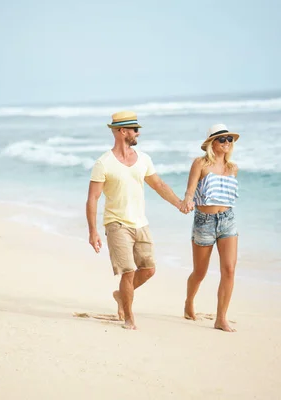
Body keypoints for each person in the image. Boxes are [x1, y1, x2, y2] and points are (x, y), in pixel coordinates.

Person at [86, 111, 187, 330]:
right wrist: (93, 231)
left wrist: (179, 203)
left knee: (148, 270)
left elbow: (158, 185)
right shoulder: (103, 163)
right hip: (116, 224)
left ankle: (120, 295)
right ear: (122, 131)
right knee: (128, 272)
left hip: (141, 223)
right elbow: (93, 198)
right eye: (134, 129)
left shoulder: (143, 159)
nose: (137, 133)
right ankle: (129, 318)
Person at [179, 123, 240, 332]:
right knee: (200, 272)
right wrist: (187, 201)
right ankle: (189, 301)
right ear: (212, 143)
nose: (226, 143)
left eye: (229, 139)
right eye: (222, 139)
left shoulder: (233, 168)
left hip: (228, 220)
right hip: (204, 221)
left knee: (229, 270)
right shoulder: (200, 163)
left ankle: (221, 318)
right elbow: (190, 190)